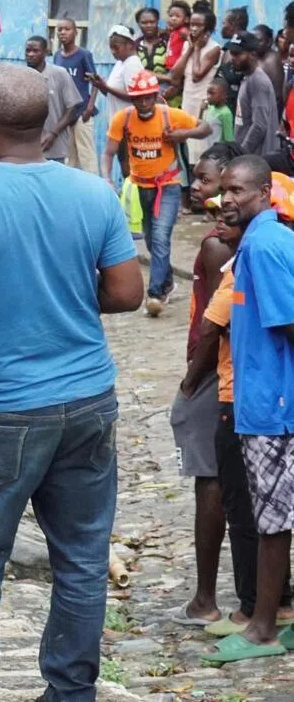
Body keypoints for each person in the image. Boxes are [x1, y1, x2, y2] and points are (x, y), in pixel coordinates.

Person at [0, 63, 143, 701]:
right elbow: (128, 293)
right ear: (50, 123)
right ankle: (71, 691)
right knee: (81, 558)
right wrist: (72, 293)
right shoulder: (93, 194)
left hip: (3, 406)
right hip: (87, 400)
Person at [185, 145, 294, 638]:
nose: (226, 199)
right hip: (258, 398)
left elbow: (288, 323)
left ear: (265, 193)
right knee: (270, 516)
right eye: (223, 189)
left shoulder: (266, 247)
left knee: (270, 520)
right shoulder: (253, 244)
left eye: (237, 190)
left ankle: (263, 625)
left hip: (271, 405)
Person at [168, 150, 236, 627]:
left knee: (208, 477)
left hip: (213, 371)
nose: (199, 186)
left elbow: (215, 323)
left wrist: (192, 381)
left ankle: (205, 599)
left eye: (212, 182)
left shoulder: (217, 246)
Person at [101, 70, 212, 315]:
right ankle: (168, 282)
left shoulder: (169, 116)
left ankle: (155, 295)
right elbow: (108, 152)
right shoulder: (124, 119)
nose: (143, 103)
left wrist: (183, 134)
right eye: (138, 98)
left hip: (169, 186)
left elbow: (205, 128)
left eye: (148, 98)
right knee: (151, 240)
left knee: (161, 237)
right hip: (141, 187)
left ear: (155, 95)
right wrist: (107, 178)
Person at [85, 24, 143, 175]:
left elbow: (136, 96)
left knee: (129, 166)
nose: (113, 52)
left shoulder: (133, 64)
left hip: (129, 123)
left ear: (129, 45)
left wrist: (106, 86)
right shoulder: (120, 63)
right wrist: (100, 85)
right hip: (118, 121)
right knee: (123, 162)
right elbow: (111, 94)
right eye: (111, 48)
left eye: (116, 47)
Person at [174, 9, 223, 166]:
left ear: (208, 29)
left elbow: (197, 75)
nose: (193, 29)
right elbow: (175, 74)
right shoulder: (188, 46)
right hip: (188, 101)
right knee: (187, 147)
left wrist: (196, 49)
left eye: (198, 25)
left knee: (201, 148)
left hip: (203, 103)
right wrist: (189, 48)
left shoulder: (214, 48)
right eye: (191, 25)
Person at [24, 35, 82, 163]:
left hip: (54, 146)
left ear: (45, 52)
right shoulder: (22, 76)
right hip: (27, 146)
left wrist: (53, 133)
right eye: (28, 51)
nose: (31, 54)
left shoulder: (59, 74)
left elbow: (72, 107)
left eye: (35, 51)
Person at [52, 17, 98, 174]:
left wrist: (90, 107)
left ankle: (95, 191)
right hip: (65, 114)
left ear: (75, 32)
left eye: (67, 29)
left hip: (81, 112)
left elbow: (95, 82)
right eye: (60, 29)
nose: (63, 32)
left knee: (86, 156)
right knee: (69, 158)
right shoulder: (57, 56)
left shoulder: (83, 54)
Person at [226, 31, 279, 157]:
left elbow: (259, 126)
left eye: (238, 54)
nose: (233, 58)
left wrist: (242, 154)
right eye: (231, 53)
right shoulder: (248, 78)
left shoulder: (257, 81)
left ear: (253, 54)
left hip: (256, 158)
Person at [218, 6, 250, 113]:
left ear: (233, 25)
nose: (221, 27)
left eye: (224, 23)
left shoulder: (239, 49)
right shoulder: (233, 46)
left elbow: (228, 78)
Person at [136, 6, 170, 88]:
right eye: (144, 23)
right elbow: (136, 72)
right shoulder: (135, 45)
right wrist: (168, 78)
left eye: (152, 22)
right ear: (138, 24)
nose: (148, 25)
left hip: (168, 91)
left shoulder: (168, 41)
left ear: (158, 21)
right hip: (143, 91)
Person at [254, 24, 285, 110]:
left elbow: (276, 96)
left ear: (269, 42)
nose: (255, 44)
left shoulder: (272, 61)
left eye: (259, 41)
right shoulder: (256, 56)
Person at [203, 76, 235, 144]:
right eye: (208, 93)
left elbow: (229, 139)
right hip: (208, 149)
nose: (208, 96)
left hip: (218, 152)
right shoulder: (210, 108)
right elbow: (202, 127)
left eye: (212, 93)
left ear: (224, 95)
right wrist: (201, 110)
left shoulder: (225, 113)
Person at [165, 0, 192, 74]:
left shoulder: (183, 31)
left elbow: (192, 44)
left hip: (177, 68)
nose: (173, 18)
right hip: (169, 67)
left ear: (186, 19)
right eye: (171, 16)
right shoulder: (175, 31)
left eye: (177, 16)